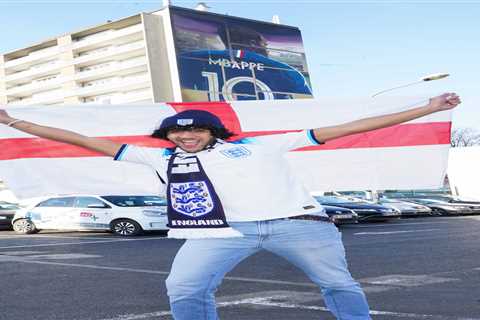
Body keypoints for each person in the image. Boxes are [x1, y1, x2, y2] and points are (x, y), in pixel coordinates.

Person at [0, 92, 461, 320]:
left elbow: (349, 127)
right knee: (183, 289)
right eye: (177, 132)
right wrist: (13, 120)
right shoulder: (158, 157)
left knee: (337, 283)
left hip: (297, 225)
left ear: (212, 131)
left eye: (195, 130)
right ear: (168, 136)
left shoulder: (259, 146)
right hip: (219, 232)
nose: (185, 135)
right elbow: (81, 139)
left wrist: (424, 108)